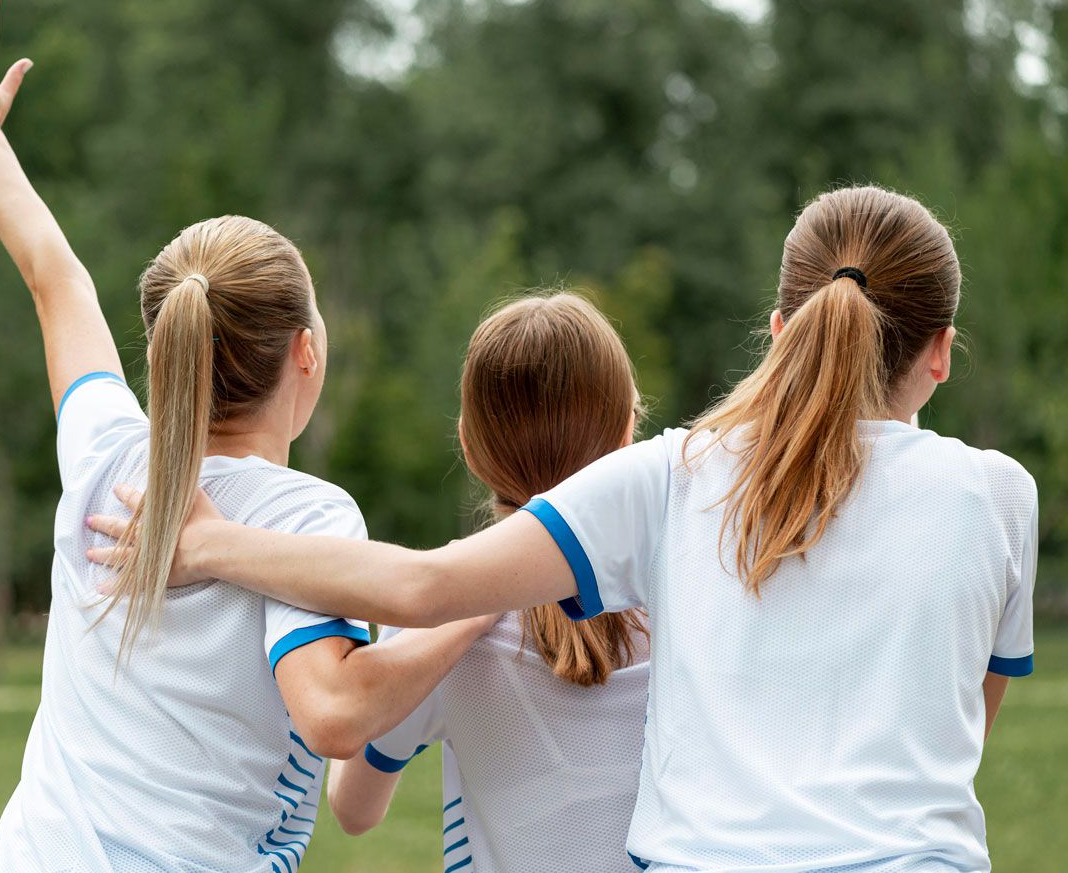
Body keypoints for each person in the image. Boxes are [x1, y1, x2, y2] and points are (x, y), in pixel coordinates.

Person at [93, 185, 1038, 872]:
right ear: (943, 352)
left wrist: (208, 542)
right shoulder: (1001, 496)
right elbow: (962, 723)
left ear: (784, 329)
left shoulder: (679, 477)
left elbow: (419, 594)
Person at [0, 0, 493, 873]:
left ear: (166, 347)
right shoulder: (304, 518)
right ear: (307, 353)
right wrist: (493, 597)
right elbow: (334, 712)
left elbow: (54, 276)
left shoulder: (107, 457)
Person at [325, 293, 651, 872]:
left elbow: (354, 809)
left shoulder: (438, 633)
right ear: (627, 434)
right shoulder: (689, 603)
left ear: (470, 449)